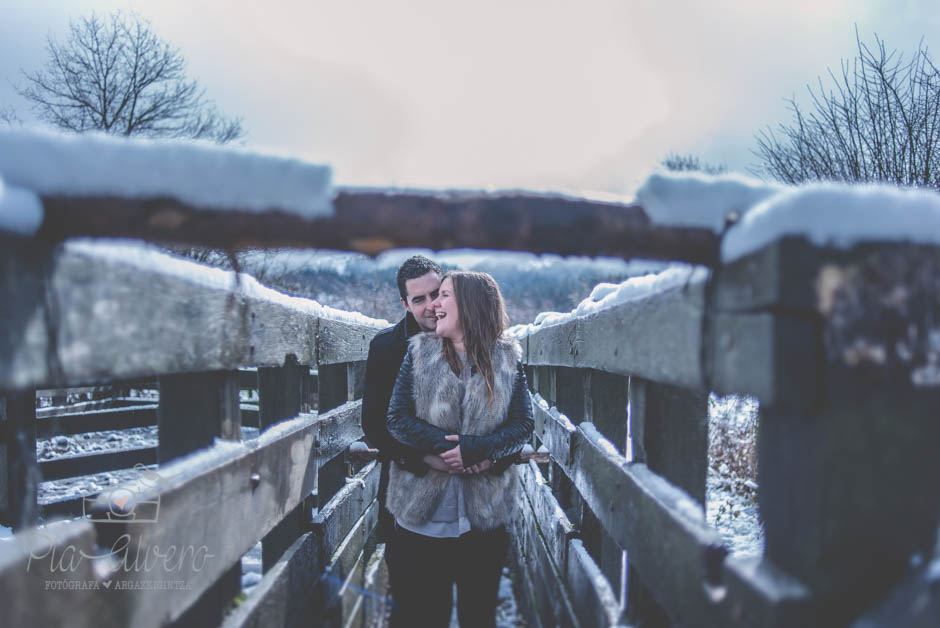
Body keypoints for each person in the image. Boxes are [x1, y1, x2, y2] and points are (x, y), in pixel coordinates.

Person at [385, 270, 534, 627]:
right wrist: (450, 449)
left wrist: (481, 449)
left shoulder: (507, 358)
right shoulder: (419, 353)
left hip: (484, 518)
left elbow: (524, 424)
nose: (434, 305)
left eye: (444, 295)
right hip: (422, 515)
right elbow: (396, 418)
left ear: (470, 305)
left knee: (478, 617)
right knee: (426, 618)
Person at [360, 256, 443, 600]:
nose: (430, 305)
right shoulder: (386, 347)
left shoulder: (473, 339)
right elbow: (373, 425)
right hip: (407, 489)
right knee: (410, 599)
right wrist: (422, 459)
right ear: (405, 304)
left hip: (468, 493)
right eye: (418, 299)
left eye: (436, 294)